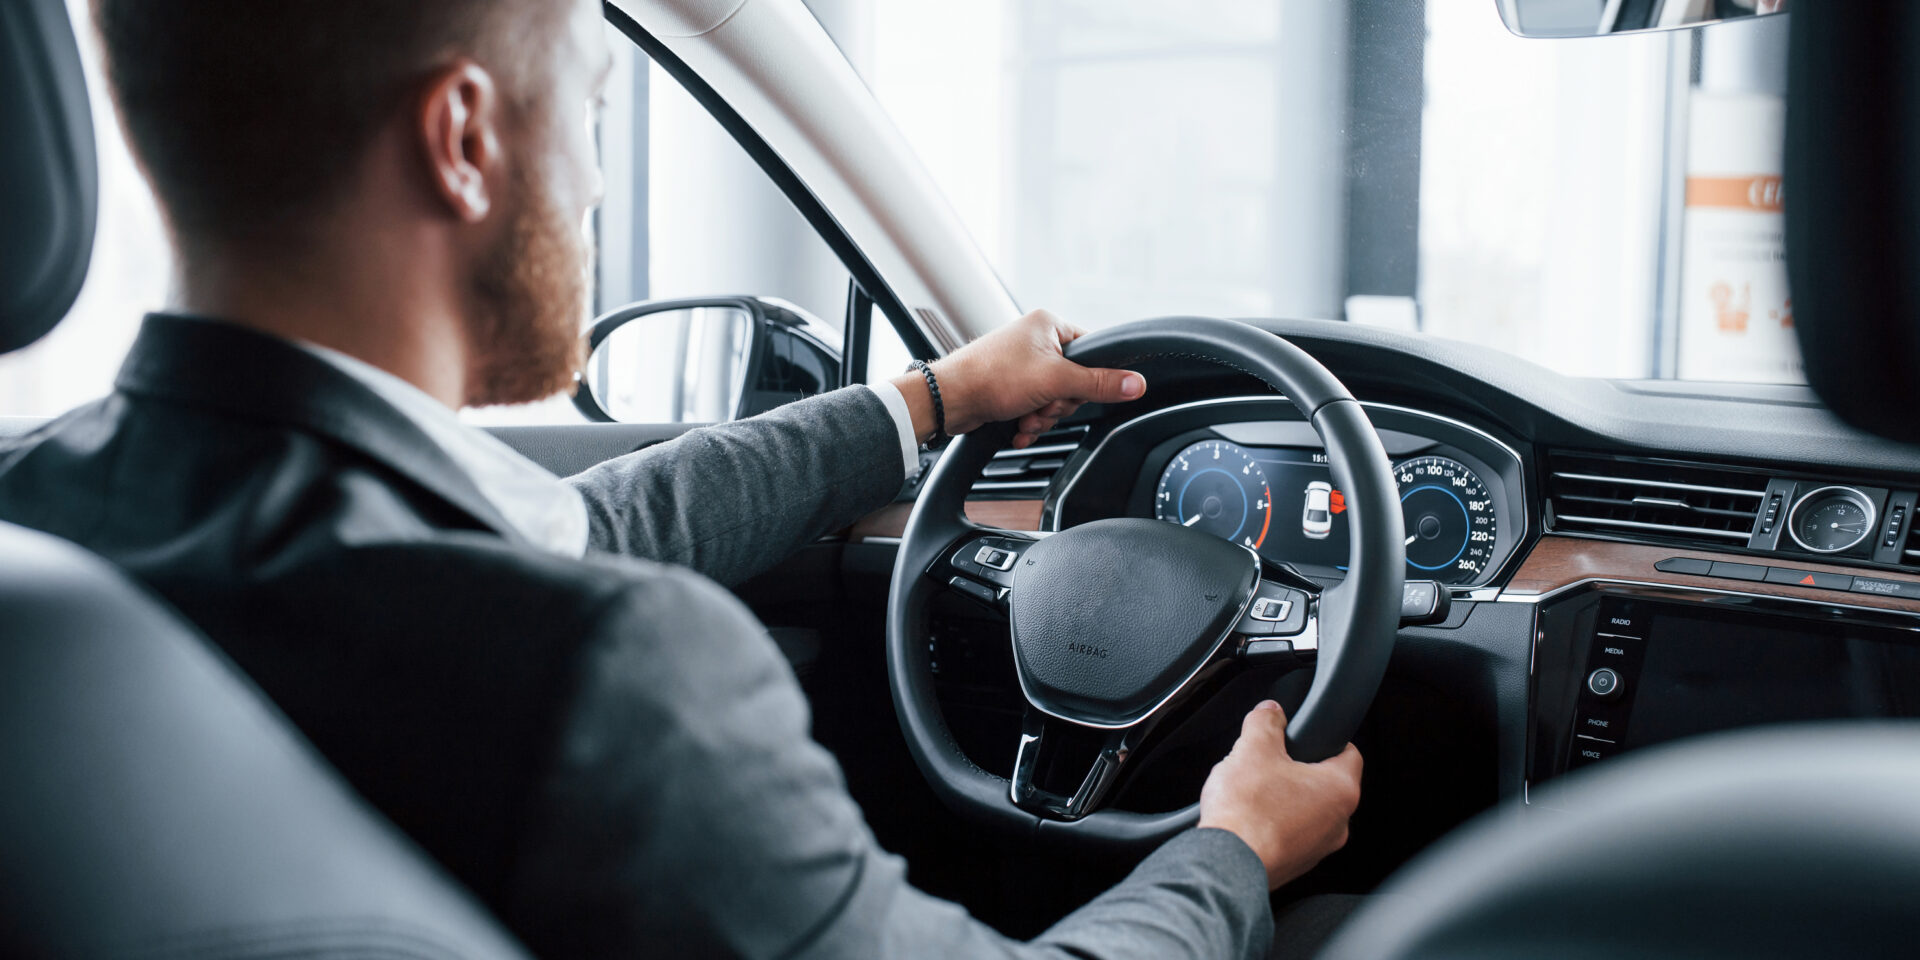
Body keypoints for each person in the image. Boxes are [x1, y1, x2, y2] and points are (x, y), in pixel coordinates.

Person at [0, 0, 1364, 956]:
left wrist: (933, 401)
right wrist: (1230, 854)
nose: (593, 182)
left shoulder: (40, 531)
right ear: (464, 139)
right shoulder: (616, 683)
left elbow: (592, 526)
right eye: (596, 108)